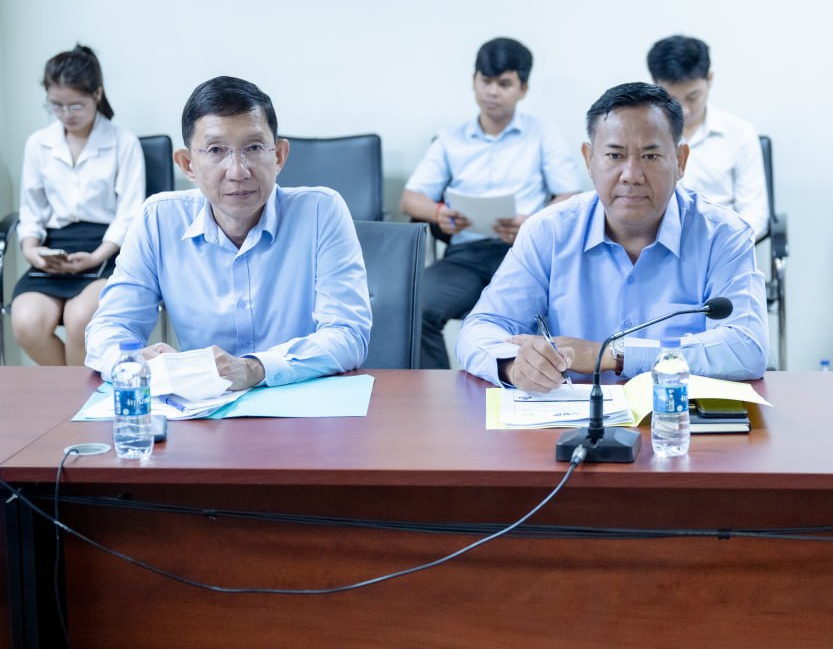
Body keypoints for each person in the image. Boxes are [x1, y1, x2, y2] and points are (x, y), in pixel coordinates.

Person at [456, 82, 767, 392]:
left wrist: (610, 355)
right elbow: (481, 328)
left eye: (650, 156)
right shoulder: (548, 232)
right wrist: (515, 366)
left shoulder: (723, 235)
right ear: (589, 159)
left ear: (680, 161)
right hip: (572, 417)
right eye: (615, 155)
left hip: (679, 415)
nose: (631, 175)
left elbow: (747, 346)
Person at [85, 76, 371, 390]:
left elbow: (348, 334)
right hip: (201, 410)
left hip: (301, 402)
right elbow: (109, 328)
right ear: (187, 164)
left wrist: (255, 369)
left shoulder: (321, 211)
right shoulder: (158, 219)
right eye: (216, 150)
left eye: (253, 148)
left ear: (278, 156)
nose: (237, 171)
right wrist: (134, 360)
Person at [401, 38, 580, 369]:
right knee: (415, 305)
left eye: (504, 84)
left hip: (524, 254)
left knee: (540, 317)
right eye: (486, 81)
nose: (492, 92)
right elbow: (410, 198)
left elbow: (569, 196)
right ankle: (437, 388)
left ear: (523, 89)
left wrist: (531, 223)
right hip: (465, 258)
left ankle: (523, 385)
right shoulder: (450, 139)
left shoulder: (543, 134)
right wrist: (439, 213)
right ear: (474, 81)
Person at [13, 45, 144, 366]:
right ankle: (72, 392)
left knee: (81, 319)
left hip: (106, 250)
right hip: (53, 252)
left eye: (75, 105)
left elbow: (129, 214)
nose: (66, 114)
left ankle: (75, 395)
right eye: (56, 105)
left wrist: (97, 256)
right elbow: (31, 211)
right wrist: (32, 251)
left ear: (97, 94)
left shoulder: (123, 142)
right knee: (27, 322)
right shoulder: (38, 144)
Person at [646, 35, 768, 238]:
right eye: (673, 99)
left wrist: (728, 246)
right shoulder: (644, 135)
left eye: (693, 97)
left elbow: (754, 212)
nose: (684, 110)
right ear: (656, 86)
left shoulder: (739, 133)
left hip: (725, 241)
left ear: (709, 79)